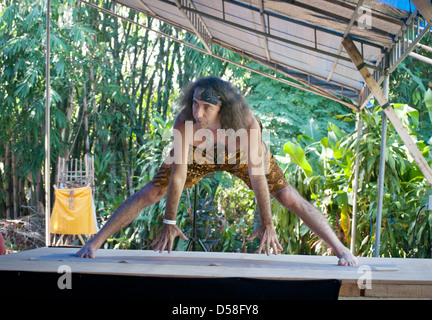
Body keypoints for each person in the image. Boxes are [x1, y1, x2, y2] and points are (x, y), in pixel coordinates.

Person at [76, 76, 358, 266]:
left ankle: (339, 247)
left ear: (224, 108)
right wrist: (170, 221)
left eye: (206, 107)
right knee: (153, 190)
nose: (198, 113)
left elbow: (258, 175)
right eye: (196, 104)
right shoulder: (186, 121)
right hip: (197, 155)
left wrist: (267, 223)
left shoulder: (248, 124)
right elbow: (178, 174)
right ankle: (95, 242)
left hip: (240, 156)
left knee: (287, 196)